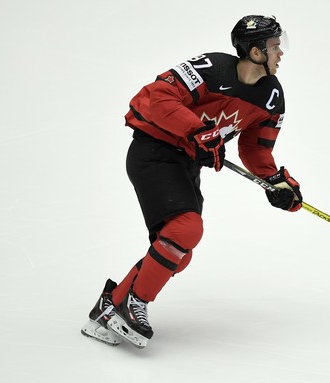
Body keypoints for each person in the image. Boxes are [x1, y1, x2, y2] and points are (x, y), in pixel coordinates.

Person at [81, 15, 303, 348]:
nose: (280, 53)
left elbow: (255, 148)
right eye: (274, 47)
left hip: (185, 164)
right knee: (186, 229)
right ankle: (131, 305)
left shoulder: (271, 97)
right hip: (154, 152)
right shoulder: (211, 67)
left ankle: (108, 308)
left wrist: (276, 182)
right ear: (255, 52)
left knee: (178, 253)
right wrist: (197, 130)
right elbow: (157, 97)